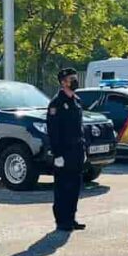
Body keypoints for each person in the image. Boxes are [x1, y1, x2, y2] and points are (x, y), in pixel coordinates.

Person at [47, 67, 86, 231]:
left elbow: (79, 127)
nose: (74, 81)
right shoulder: (57, 103)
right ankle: (62, 220)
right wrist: (57, 154)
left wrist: (83, 150)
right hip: (64, 151)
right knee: (63, 186)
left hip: (76, 150)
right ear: (63, 82)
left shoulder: (76, 100)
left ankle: (71, 217)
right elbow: (53, 130)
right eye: (71, 79)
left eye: (74, 78)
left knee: (75, 185)